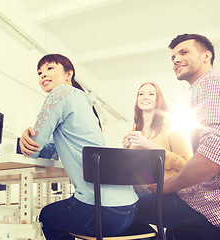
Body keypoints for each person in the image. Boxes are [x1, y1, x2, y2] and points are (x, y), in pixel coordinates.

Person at [135, 33, 220, 238]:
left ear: (206, 56)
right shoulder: (209, 87)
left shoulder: (215, 82)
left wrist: (167, 187)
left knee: (123, 208)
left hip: (218, 204)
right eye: (173, 57)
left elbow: (213, 159)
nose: (176, 60)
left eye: (184, 52)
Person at [19, 54, 138, 240]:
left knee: (47, 216)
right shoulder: (84, 101)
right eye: (39, 72)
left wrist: (25, 140)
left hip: (103, 211)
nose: (43, 75)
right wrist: (32, 139)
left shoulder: (60, 93)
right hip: (130, 208)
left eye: (50, 68)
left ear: (69, 74)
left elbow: (32, 151)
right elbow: (48, 149)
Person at [122, 82, 192, 189]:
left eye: (151, 94)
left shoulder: (171, 127)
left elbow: (186, 165)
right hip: (142, 189)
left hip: (170, 190)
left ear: (158, 100)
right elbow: (132, 170)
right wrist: (127, 150)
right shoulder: (134, 131)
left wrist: (150, 145)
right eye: (141, 94)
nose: (145, 97)